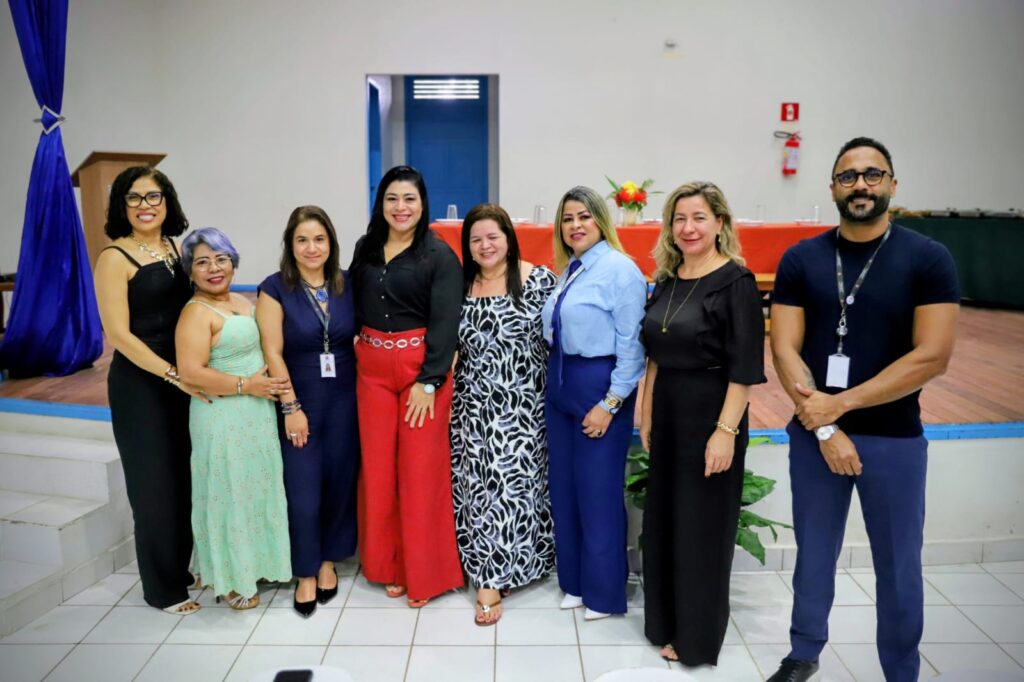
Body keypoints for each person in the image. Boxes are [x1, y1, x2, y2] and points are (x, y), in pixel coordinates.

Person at [767, 137, 959, 682]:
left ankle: (901, 670)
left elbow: (933, 355)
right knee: (814, 554)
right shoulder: (802, 258)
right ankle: (803, 654)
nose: (861, 185)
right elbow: (783, 347)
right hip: (815, 438)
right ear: (833, 187)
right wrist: (827, 429)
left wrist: (841, 406)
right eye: (848, 176)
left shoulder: (928, 258)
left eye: (873, 175)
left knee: (898, 566)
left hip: (894, 438)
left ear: (892, 184)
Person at [638, 182, 766, 665]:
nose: (688, 228)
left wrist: (725, 432)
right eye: (679, 219)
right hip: (668, 411)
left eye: (698, 218)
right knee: (666, 522)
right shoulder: (668, 280)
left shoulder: (736, 282)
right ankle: (664, 623)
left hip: (712, 412)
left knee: (701, 528)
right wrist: (647, 412)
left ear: (719, 223)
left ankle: (696, 637)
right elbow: (655, 354)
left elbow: (744, 367)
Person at [348, 165, 464, 607]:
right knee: (378, 471)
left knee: (419, 472)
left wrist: (430, 380)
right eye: (392, 198)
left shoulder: (439, 254)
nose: (401, 207)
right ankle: (388, 566)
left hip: (421, 371)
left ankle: (425, 574)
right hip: (372, 370)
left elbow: (447, 322)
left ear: (422, 204)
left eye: (409, 199)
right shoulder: (366, 247)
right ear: (381, 203)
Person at [93, 166, 203, 615]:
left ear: (167, 202)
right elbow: (119, 336)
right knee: (153, 486)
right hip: (142, 383)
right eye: (134, 198)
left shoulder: (174, 247)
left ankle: (179, 568)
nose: (145, 206)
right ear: (122, 206)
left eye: (153, 196)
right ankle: (163, 589)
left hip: (182, 378)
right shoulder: (114, 257)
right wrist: (172, 374)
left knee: (184, 479)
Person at [540, 186, 647, 620]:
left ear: (601, 220)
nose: (575, 225)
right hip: (561, 385)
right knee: (565, 490)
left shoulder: (620, 270)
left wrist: (611, 402)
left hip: (598, 386)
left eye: (584, 216)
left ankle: (603, 594)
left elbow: (633, 347)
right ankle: (575, 582)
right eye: (567, 218)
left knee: (597, 492)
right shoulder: (572, 268)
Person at [450, 204, 558, 626]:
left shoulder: (538, 281)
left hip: (525, 406)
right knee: (481, 493)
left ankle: (514, 567)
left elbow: (560, 340)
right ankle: (488, 580)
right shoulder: (460, 286)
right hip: (474, 407)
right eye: (476, 239)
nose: (485, 246)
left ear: (509, 238)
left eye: (492, 237)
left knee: (520, 492)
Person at [175, 228, 293, 610]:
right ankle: (228, 579)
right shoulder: (195, 313)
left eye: (221, 259)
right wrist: (246, 385)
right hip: (222, 416)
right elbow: (191, 372)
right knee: (227, 494)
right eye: (202, 262)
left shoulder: (242, 300)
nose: (214, 268)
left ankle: (255, 564)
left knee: (254, 489)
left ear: (233, 262)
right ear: (190, 271)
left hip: (256, 415)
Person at [257, 206, 360, 617]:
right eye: (302, 240)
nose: (311, 248)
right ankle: (304, 570)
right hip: (301, 397)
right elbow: (272, 351)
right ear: (290, 244)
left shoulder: (346, 283)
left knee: (338, 483)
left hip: (345, 398)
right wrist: (291, 406)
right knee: (303, 492)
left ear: (331, 242)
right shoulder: (274, 288)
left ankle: (328, 560)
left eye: (319, 239)